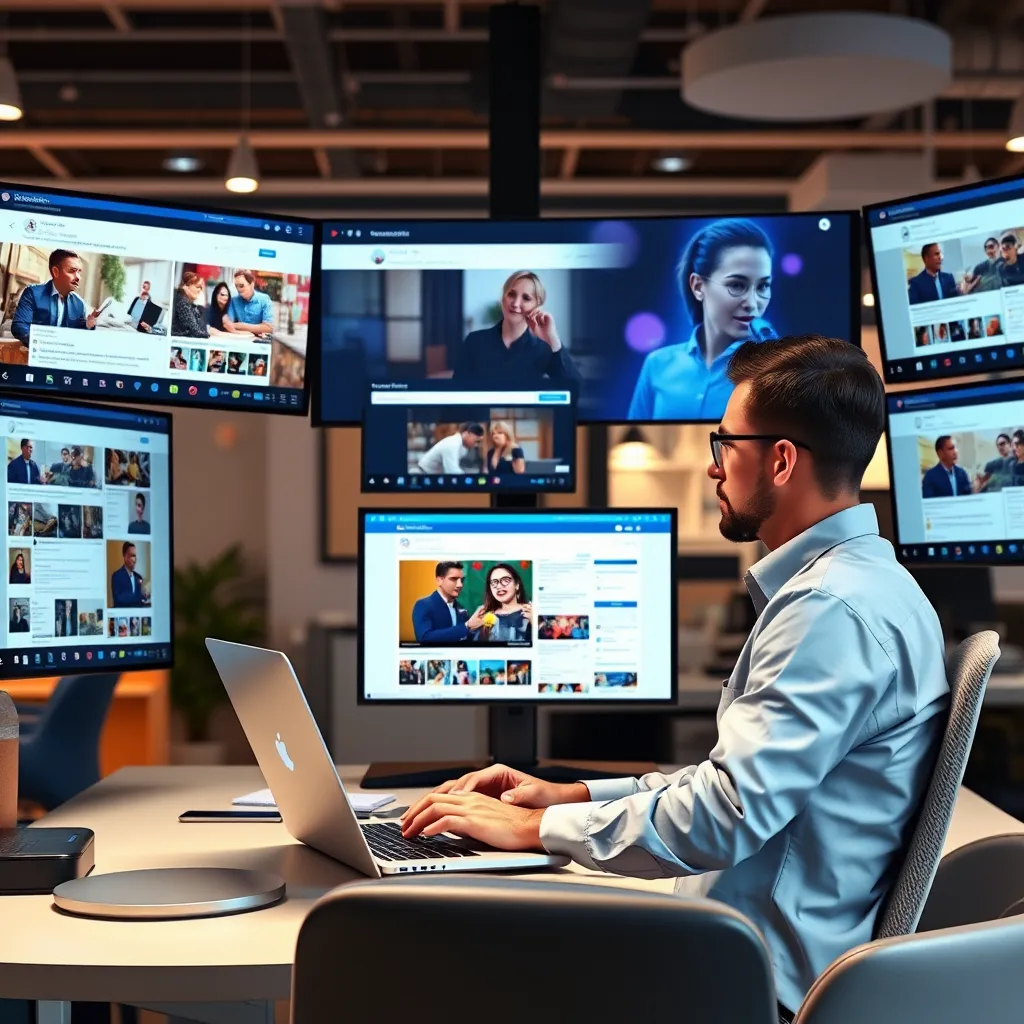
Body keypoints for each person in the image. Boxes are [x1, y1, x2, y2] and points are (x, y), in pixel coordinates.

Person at [400, 334, 949, 1020]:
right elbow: (731, 785)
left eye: (726, 444)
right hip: (730, 954)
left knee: (445, 963)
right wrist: (571, 794)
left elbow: (724, 815)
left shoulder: (829, 609)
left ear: (781, 461)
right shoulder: (863, 586)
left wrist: (538, 828)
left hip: (745, 986)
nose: (714, 466)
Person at [628, 219, 777, 420]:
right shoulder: (657, 365)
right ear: (698, 286)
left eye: (763, 286)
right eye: (737, 285)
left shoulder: (772, 371)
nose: (752, 303)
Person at [451, 271, 581, 386]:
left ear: (537, 306)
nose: (515, 303)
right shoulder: (475, 341)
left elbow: (576, 389)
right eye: (511, 294)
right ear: (503, 298)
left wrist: (553, 339)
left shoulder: (544, 347)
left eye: (526, 298)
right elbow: (457, 392)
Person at [10, 249, 102, 343]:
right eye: (72, 271)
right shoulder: (33, 293)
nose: (78, 277)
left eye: (79, 272)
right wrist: (46, 342)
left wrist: (88, 325)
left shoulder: (79, 304)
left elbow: (78, 335)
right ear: (55, 272)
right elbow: (19, 326)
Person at [411, 561, 486, 643]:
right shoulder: (423, 605)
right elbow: (424, 638)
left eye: (462, 580)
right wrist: (466, 626)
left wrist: (480, 628)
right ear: (439, 580)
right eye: (454, 579)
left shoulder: (462, 609)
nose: (460, 585)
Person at [473, 563, 532, 642]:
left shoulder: (530, 612)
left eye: (505, 580)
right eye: (494, 582)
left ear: (517, 584)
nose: (499, 586)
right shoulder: (484, 615)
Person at [417, 424, 485, 474]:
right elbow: (452, 471)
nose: (476, 445)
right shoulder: (452, 444)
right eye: (476, 441)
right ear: (468, 433)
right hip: (423, 475)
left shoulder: (462, 447)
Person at [225, 269, 273, 337]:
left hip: (258, 340)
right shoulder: (233, 300)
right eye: (236, 286)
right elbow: (228, 325)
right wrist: (258, 329)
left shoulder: (264, 299)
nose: (238, 289)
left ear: (252, 284)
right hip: (239, 337)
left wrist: (241, 326)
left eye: (241, 286)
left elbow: (268, 327)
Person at [171, 272, 209, 339]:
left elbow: (202, 328)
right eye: (197, 287)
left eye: (201, 288)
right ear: (186, 286)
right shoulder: (182, 303)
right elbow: (197, 332)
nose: (200, 290)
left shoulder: (189, 303)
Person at [111, 542, 147, 608]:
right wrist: (139, 597)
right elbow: (118, 598)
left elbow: (143, 599)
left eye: (135, 556)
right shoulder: (117, 576)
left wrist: (145, 595)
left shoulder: (139, 577)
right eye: (132, 556)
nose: (134, 559)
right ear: (124, 556)